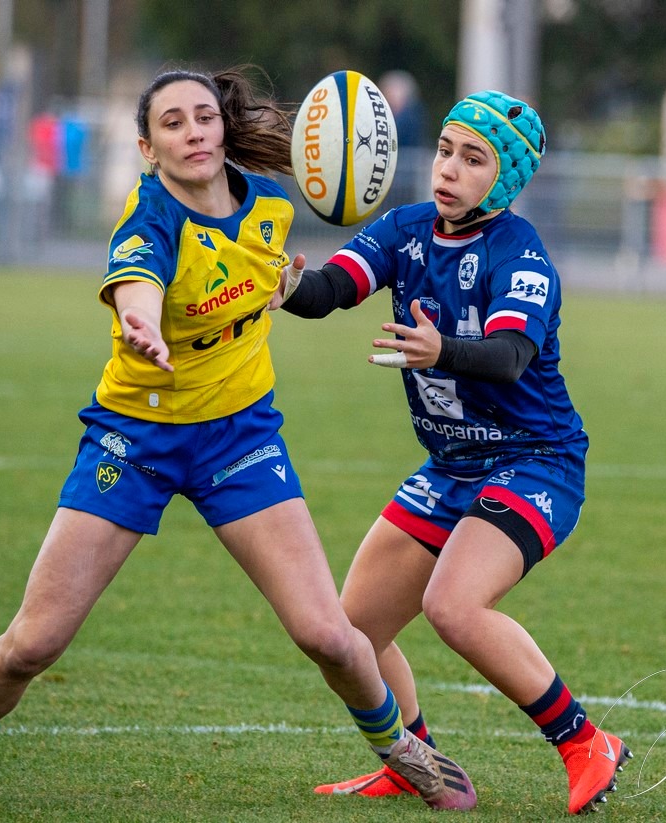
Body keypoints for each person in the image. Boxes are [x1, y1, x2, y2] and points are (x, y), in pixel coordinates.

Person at [0, 66, 476, 813]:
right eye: (172, 123)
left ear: (222, 128)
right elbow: (137, 279)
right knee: (33, 643)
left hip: (239, 438)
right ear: (147, 148)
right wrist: (141, 320)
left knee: (327, 631)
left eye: (203, 117)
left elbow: (302, 287)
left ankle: (405, 749)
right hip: (134, 441)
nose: (192, 131)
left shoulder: (270, 213)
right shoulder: (147, 219)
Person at [270, 91, 633, 816]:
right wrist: (287, 287)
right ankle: (418, 763)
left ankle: (584, 740)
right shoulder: (404, 231)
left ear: (502, 180)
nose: (449, 169)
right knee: (352, 636)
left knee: (454, 605)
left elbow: (506, 356)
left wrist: (443, 349)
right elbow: (331, 291)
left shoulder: (518, 251)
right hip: (451, 469)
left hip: (535, 461)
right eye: (444, 150)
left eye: (474, 159)